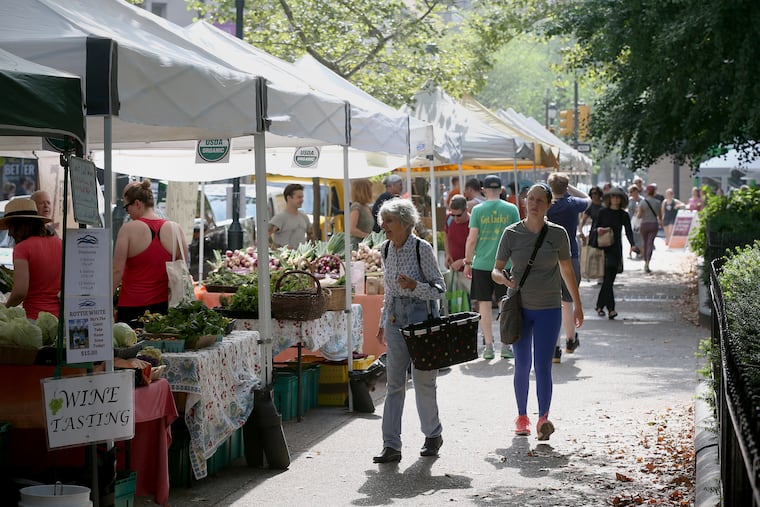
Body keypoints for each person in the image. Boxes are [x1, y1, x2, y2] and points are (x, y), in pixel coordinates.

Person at [491, 183, 583, 440]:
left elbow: (567, 270)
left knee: (543, 366)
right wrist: (503, 279)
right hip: (519, 308)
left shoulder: (558, 234)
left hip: (549, 307)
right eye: (530, 199)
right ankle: (522, 417)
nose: (533, 204)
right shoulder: (511, 233)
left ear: (548, 205)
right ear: (524, 202)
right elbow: (496, 270)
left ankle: (543, 418)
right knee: (522, 364)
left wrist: (577, 304)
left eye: (539, 200)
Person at [372, 198, 446, 464]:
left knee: (424, 381)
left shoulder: (421, 248)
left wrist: (416, 286)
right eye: (382, 220)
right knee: (394, 384)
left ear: (405, 223)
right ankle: (391, 445)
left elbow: (440, 289)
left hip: (421, 317)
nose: (384, 225)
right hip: (395, 319)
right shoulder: (385, 249)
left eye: (389, 220)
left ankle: (433, 434)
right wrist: (382, 323)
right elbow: (389, 291)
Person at [463, 175, 520, 360]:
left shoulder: (478, 210)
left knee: (484, 305)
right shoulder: (511, 209)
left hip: (481, 264)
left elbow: (472, 239)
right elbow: (517, 237)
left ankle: (488, 346)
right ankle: (506, 345)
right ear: (501, 189)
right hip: (506, 264)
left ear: (483, 190)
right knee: (505, 303)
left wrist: (467, 262)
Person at [113, 179, 186, 324]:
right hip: (165, 307)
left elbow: (117, 270)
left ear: (138, 203)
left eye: (126, 208)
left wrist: (106, 301)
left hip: (131, 307)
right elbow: (182, 269)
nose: (127, 212)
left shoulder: (128, 230)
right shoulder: (175, 229)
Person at [546, 173, 590, 362]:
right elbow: (587, 199)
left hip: (547, 257)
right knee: (568, 299)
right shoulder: (572, 204)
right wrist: (569, 188)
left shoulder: (545, 205)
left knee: (552, 302)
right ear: (566, 187)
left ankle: (555, 348)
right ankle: (571, 340)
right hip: (570, 255)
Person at [0, 198, 62, 319]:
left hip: (35, 318)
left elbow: (20, 292)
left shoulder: (22, 248)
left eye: (10, 227)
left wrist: (5, 308)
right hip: (61, 318)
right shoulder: (59, 243)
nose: (9, 234)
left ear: (17, 225)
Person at [595, 187, 638, 319]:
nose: (615, 199)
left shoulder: (623, 215)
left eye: (618, 197)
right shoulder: (602, 212)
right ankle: (611, 309)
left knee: (609, 280)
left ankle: (599, 305)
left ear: (621, 200)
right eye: (613, 197)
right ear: (609, 199)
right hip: (603, 249)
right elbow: (594, 228)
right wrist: (599, 230)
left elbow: (629, 231)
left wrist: (633, 245)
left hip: (616, 250)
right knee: (608, 280)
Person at [269, 183, 314, 248]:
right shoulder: (280, 218)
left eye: (302, 197)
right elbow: (265, 234)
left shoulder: (304, 217)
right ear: (289, 198)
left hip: (301, 257)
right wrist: (275, 247)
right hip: (284, 257)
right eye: (299, 197)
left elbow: (311, 235)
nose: (302, 200)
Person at [637, 184, 662, 273]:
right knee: (650, 244)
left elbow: (639, 216)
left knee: (645, 243)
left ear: (647, 192)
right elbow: (660, 216)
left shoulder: (643, 202)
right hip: (653, 224)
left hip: (644, 224)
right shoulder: (658, 202)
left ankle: (645, 261)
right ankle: (648, 262)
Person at [443, 195, 470, 272]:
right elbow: (446, 235)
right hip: (453, 267)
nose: (455, 218)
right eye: (453, 215)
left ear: (466, 210)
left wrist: (463, 262)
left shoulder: (472, 224)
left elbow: (478, 251)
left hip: (468, 270)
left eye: (458, 215)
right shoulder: (449, 219)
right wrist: (448, 254)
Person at [348, 179, 374, 250]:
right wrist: (368, 236)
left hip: (366, 245)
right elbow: (352, 229)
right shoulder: (356, 207)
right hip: (356, 246)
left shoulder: (367, 207)